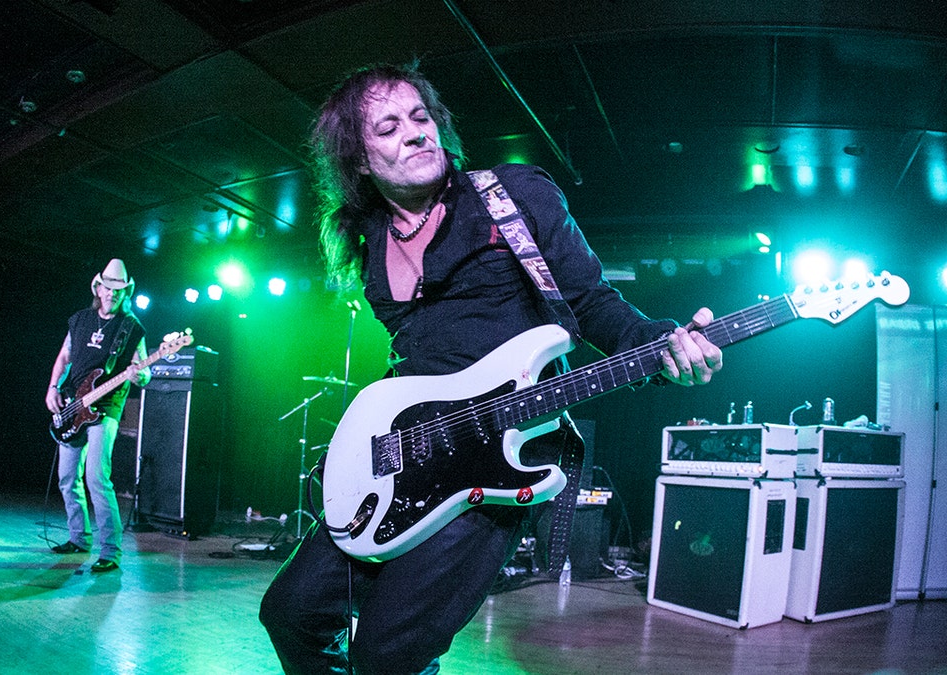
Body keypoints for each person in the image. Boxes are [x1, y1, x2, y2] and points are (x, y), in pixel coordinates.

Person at [258, 63, 722, 674]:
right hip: (407, 453)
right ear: (360, 161)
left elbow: (591, 302)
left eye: (421, 118)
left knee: (386, 653)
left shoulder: (512, 195)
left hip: (494, 454)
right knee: (289, 614)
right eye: (389, 127)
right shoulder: (369, 239)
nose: (415, 134)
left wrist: (661, 343)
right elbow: (416, 359)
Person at [45, 258, 150, 573]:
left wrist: (138, 376)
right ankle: (79, 538)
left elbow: (144, 372)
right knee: (67, 478)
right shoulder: (79, 320)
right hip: (74, 406)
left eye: (119, 291)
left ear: (125, 292)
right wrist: (53, 388)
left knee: (96, 478)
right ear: (98, 288)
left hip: (105, 410)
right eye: (108, 289)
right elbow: (64, 357)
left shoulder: (131, 327)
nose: (112, 295)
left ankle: (111, 551)